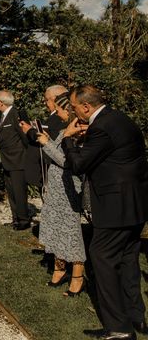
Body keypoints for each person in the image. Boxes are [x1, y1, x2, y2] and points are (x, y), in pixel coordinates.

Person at [63, 85, 148, 340]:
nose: (73, 112)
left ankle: (119, 329)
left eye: (74, 107)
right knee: (127, 260)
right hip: (135, 205)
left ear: (86, 107)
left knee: (101, 257)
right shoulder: (119, 118)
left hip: (114, 207)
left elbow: (78, 164)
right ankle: (136, 317)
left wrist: (68, 139)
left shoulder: (101, 127)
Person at [21, 93, 86, 296]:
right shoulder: (67, 129)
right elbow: (59, 151)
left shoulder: (81, 132)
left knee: (71, 233)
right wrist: (49, 140)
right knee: (56, 230)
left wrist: (44, 143)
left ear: (69, 110)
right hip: (57, 190)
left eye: (59, 110)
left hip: (69, 190)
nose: (56, 114)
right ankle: (59, 269)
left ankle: (77, 277)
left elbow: (67, 162)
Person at [0, 90, 31, 230]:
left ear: (0, 102)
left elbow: (25, 136)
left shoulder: (16, 114)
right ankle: (16, 218)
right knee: (12, 191)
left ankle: (23, 220)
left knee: (19, 191)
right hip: (7, 160)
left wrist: (26, 157)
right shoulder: (3, 116)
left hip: (18, 160)